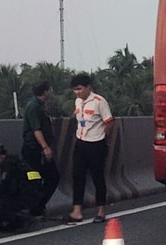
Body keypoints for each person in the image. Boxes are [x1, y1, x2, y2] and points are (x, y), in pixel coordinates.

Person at [64, 73, 114, 224]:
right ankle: (77, 210)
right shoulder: (78, 102)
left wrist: (103, 137)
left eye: (80, 89)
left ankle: (101, 210)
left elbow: (109, 122)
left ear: (88, 87)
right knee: (77, 175)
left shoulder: (99, 101)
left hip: (96, 143)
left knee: (97, 177)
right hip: (81, 142)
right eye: (75, 90)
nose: (77, 92)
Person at [0, 143, 44, 232]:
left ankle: (22, 220)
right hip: (34, 194)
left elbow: (5, 188)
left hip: (26, 197)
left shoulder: (8, 166)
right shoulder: (16, 162)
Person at [21, 80, 60, 217]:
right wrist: (45, 147)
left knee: (51, 177)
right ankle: (35, 209)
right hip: (34, 149)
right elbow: (36, 129)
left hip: (39, 149)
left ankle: (38, 206)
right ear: (46, 91)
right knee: (38, 179)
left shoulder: (41, 106)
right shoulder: (34, 106)